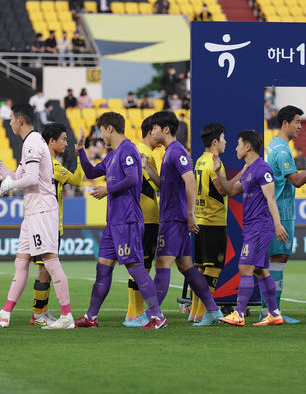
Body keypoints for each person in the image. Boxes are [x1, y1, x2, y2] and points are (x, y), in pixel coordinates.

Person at [0, 103, 74, 329]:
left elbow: (30, 179)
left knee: (51, 261)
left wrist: (10, 185)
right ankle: (5, 314)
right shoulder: (31, 143)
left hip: (42, 210)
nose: (10, 122)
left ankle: (66, 317)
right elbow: (18, 175)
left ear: (20, 120)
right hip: (32, 211)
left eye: (11, 118)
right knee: (21, 263)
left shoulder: (32, 142)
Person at [73, 112, 167, 329]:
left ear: (109, 129)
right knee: (102, 269)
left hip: (127, 221)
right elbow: (90, 171)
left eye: (101, 131)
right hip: (113, 224)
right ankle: (91, 317)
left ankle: (158, 316)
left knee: (135, 267)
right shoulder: (113, 154)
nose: (100, 135)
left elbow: (133, 179)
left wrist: (107, 190)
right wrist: (80, 151)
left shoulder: (128, 150)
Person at [149, 111, 224, 326]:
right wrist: (147, 168)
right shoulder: (169, 153)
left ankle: (153, 315)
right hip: (174, 217)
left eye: (155, 127)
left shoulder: (175, 151)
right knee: (187, 268)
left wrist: (190, 214)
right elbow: (166, 184)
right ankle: (212, 310)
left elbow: (190, 181)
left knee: (162, 263)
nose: (152, 131)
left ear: (166, 129)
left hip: (174, 218)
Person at [263, 105, 306, 323]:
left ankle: (269, 310)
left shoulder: (273, 146)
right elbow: (297, 181)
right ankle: (273, 312)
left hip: (278, 210)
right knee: (278, 260)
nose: (300, 126)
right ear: (285, 123)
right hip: (281, 212)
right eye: (297, 121)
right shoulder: (282, 151)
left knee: (275, 261)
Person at [215, 130, 286, 326]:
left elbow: (271, 198)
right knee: (260, 270)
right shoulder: (249, 169)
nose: (236, 147)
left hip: (260, 226)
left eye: (238, 144)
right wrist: (218, 173)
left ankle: (238, 313)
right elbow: (230, 190)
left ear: (248, 147)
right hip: (252, 227)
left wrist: (278, 224)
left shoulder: (263, 169)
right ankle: (274, 314)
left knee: (245, 267)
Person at [29, 123, 84, 326]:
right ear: (51, 141)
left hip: (42, 220)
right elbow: (77, 180)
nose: (66, 143)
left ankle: (40, 312)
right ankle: (38, 313)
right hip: (48, 223)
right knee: (45, 269)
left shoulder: (45, 162)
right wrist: (80, 154)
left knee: (44, 269)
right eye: (63, 139)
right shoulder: (52, 165)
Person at [189, 123, 229, 323]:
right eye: (223, 138)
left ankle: (195, 312)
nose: (226, 141)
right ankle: (205, 313)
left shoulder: (199, 161)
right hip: (214, 221)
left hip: (200, 219)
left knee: (202, 269)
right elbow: (222, 191)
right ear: (215, 142)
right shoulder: (214, 163)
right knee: (212, 269)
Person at [125, 116, 161, 322]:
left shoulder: (147, 154)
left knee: (143, 266)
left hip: (148, 217)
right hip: (144, 218)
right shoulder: (140, 153)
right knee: (141, 266)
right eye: (157, 129)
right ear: (150, 132)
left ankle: (134, 312)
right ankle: (134, 313)